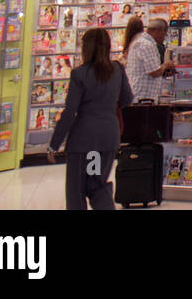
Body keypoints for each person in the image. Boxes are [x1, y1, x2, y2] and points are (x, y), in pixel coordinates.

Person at [47, 27, 133, 210]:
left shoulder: (79, 74)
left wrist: (54, 144)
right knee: (96, 184)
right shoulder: (117, 70)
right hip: (107, 138)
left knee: (76, 190)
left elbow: (70, 112)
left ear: (86, 47)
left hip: (83, 141)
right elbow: (127, 99)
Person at [125, 17, 174, 101]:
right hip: (143, 97)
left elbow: (148, 71)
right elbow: (154, 72)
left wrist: (164, 72)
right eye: (164, 34)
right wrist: (166, 65)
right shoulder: (146, 45)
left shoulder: (142, 42)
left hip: (142, 95)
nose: (164, 38)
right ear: (158, 31)